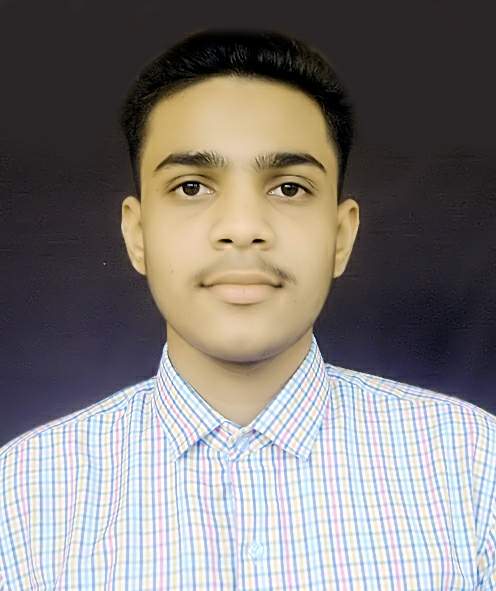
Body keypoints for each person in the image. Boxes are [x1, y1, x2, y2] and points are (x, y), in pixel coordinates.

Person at [1, 27, 495, 590]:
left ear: (341, 236)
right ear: (137, 235)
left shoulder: (473, 467)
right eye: (192, 187)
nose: (242, 228)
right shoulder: (23, 498)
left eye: (289, 188)